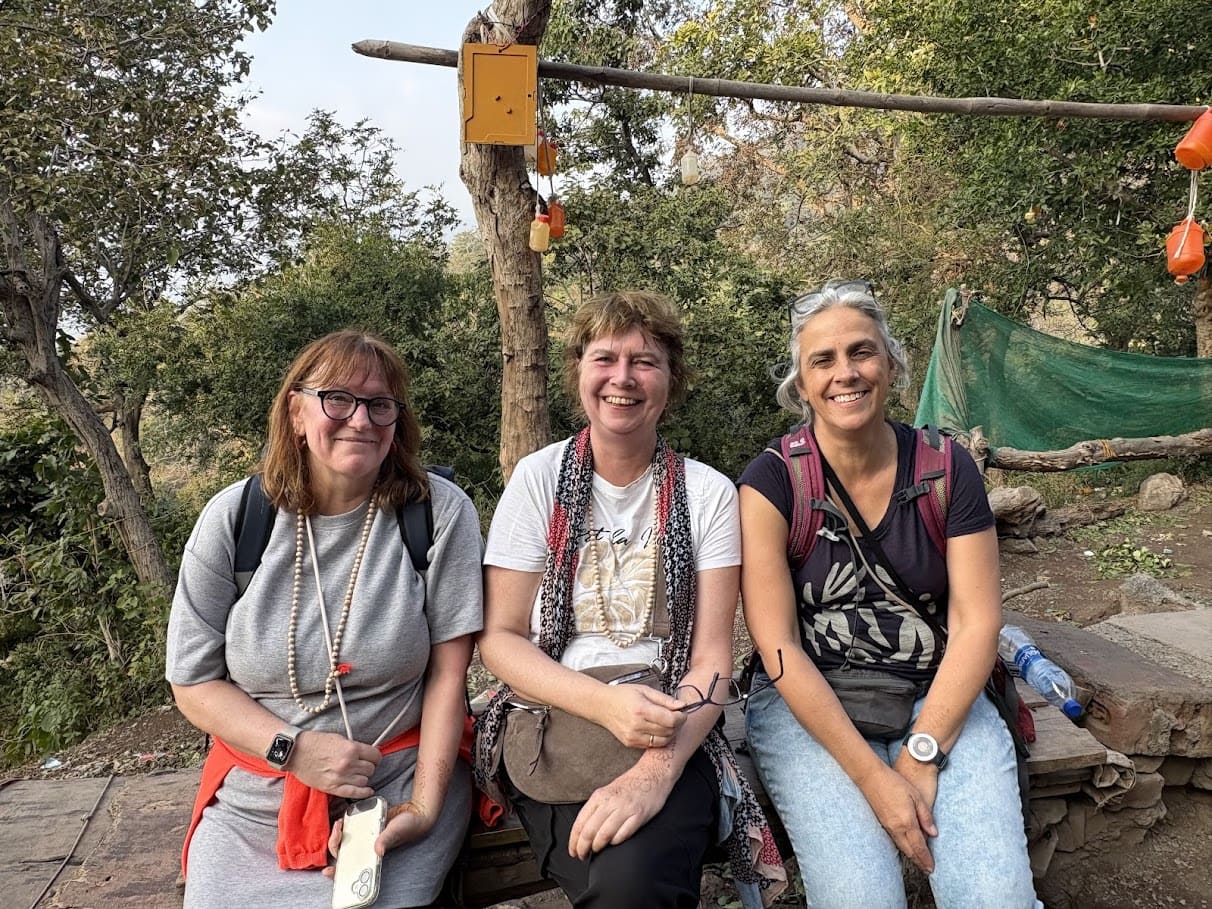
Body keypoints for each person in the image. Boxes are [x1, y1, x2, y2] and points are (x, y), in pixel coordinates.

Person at [474, 291, 785, 909]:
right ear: (579, 373)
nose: (622, 378)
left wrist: (654, 774)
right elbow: (501, 639)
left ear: (671, 379)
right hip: (552, 723)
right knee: (620, 885)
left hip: (671, 724)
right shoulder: (538, 480)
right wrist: (605, 705)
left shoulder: (708, 494)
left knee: (630, 886)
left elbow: (713, 661)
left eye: (644, 361)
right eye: (604, 358)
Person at [738, 280, 1040, 908]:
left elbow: (978, 622)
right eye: (822, 359)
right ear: (799, 382)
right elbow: (779, 647)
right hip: (812, 705)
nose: (845, 373)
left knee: (995, 899)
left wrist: (924, 751)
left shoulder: (945, 468)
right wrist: (876, 778)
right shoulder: (773, 483)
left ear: (892, 364)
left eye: (862, 352)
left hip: (939, 691)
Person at [166, 329, 483, 908]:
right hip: (255, 799)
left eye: (380, 404)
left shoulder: (437, 513)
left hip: (393, 790)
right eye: (338, 398)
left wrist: (424, 807)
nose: (360, 420)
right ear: (295, 411)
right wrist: (296, 750)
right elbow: (192, 681)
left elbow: (447, 678)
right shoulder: (236, 520)